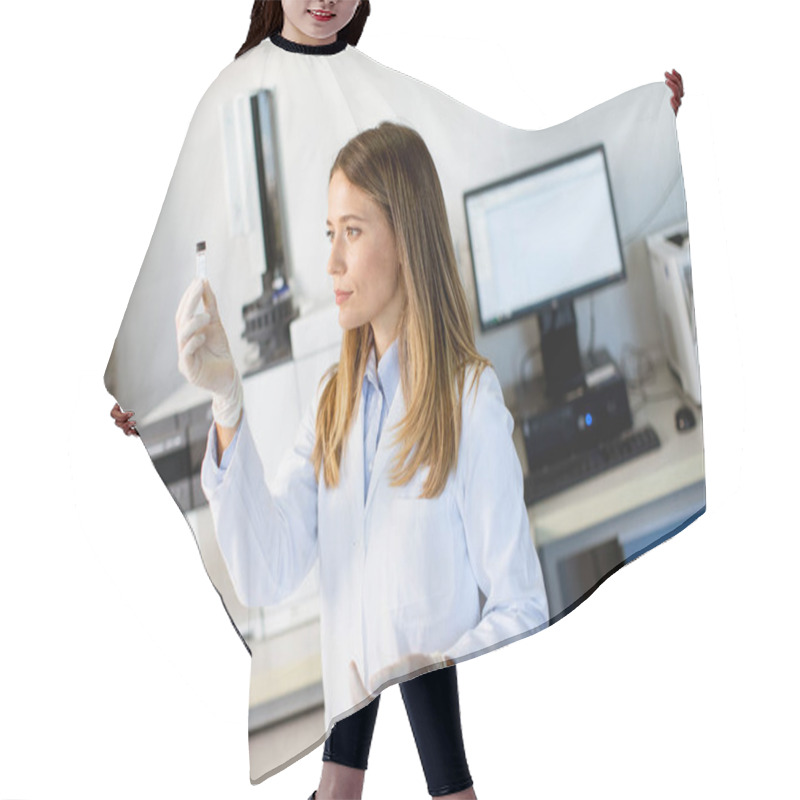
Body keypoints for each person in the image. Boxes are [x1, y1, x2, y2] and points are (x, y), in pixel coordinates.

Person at [176, 121, 551, 799]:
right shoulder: (333, 408)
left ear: (406, 241)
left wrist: (434, 669)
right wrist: (228, 410)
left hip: (440, 773)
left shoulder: (468, 402)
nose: (333, 263)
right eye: (330, 233)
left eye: (353, 231)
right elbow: (266, 570)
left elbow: (523, 609)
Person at [109, 0, 684, 437]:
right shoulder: (229, 100)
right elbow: (170, 269)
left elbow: (508, 154)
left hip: (412, 409)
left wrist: (654, 125)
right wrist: (122, 392)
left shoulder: (387, 80)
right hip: (297, 428)